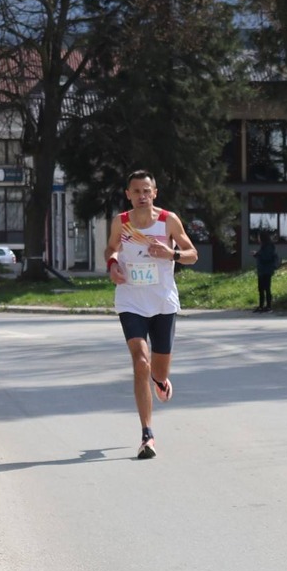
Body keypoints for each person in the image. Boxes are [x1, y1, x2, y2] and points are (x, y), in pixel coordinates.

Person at [105, 171, 196, 459]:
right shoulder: (121, 222)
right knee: (140, 362)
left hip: (162, 303)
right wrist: (112, 265)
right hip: (130, 300)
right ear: (128, 194)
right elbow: (111, 248)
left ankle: (160, 381)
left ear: (154, 193)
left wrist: (172, 254)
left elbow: (192, 253)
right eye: (136, 191)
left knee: (157, 370)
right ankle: (147, 434)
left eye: (147, 190)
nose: (142, 195)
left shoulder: (168, 220)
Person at [254, 233, 279, 312]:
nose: (258, 239)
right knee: (261, 289)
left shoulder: (269, 246)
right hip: (262, 270)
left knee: (267, 288)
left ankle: (268, 306)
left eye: (259, 237)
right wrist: (257, 254)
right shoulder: (263, 246)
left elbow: (266, 257)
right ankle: (261, 306)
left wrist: (257, 254)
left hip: (266, 270)